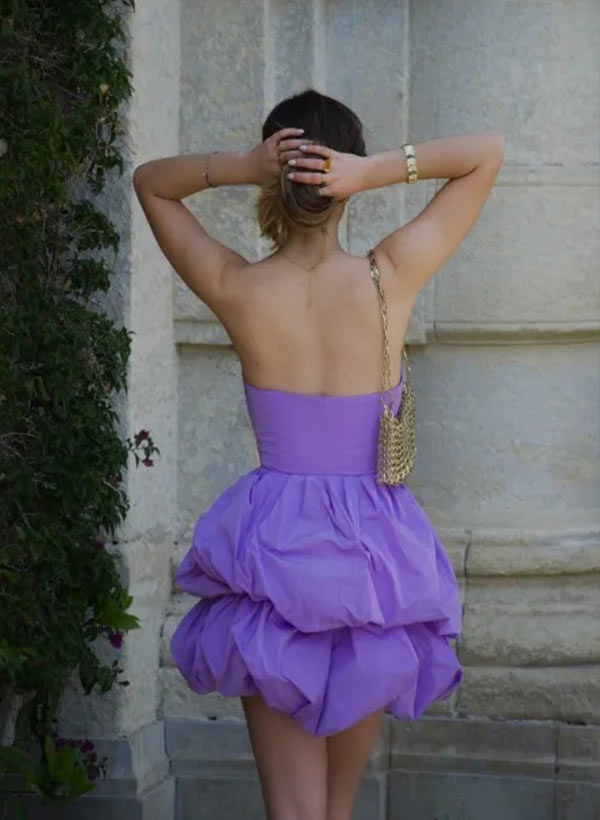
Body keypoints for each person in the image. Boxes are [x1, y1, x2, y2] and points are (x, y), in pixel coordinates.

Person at [133, 87, 505, 820]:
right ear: (343, 176)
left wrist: (243, 166)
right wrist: (372, 172)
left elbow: (151, 183)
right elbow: (485, 154)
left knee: (293, 812)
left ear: (272, 180)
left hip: (276, 547)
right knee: (336, 812)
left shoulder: (239, 287)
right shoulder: (388, 275)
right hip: (373, 556)